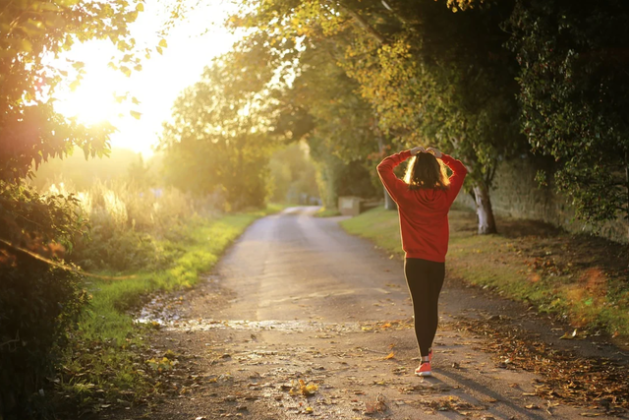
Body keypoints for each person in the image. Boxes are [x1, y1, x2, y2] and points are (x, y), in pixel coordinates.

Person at [377, 146, 468, 377]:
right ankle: (427, 351)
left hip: (414, 262)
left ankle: (425, 360)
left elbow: (383, 167)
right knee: (432, 306)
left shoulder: (404, 193)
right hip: (437, 262)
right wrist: (442, 156)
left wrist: (407, 153)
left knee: (420, 308)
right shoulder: (445, 195)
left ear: (414, 170)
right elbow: (461, 170)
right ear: (436, 171)